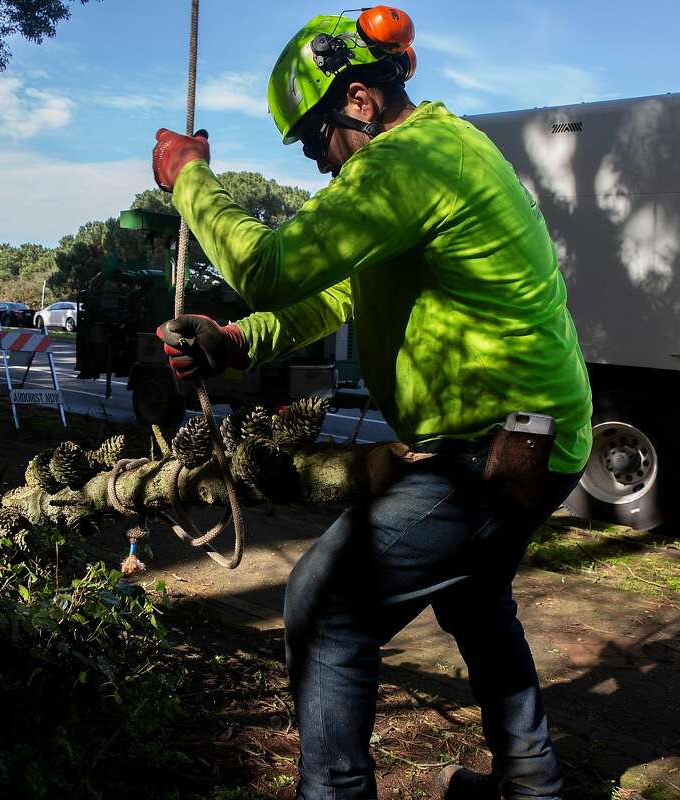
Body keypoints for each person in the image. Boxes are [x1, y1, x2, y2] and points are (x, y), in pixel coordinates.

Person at [152, 9, 592, 799]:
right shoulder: (436, 156)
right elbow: (336, 296)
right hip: (533, 436)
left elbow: (271, 267)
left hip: (496, 447)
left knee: (325, 604)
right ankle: (532, 784)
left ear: (358, 100)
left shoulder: (409, 162)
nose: (321, 165)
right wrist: (238, 340)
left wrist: (189, 178)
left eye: (315, 141)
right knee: (475, 599)